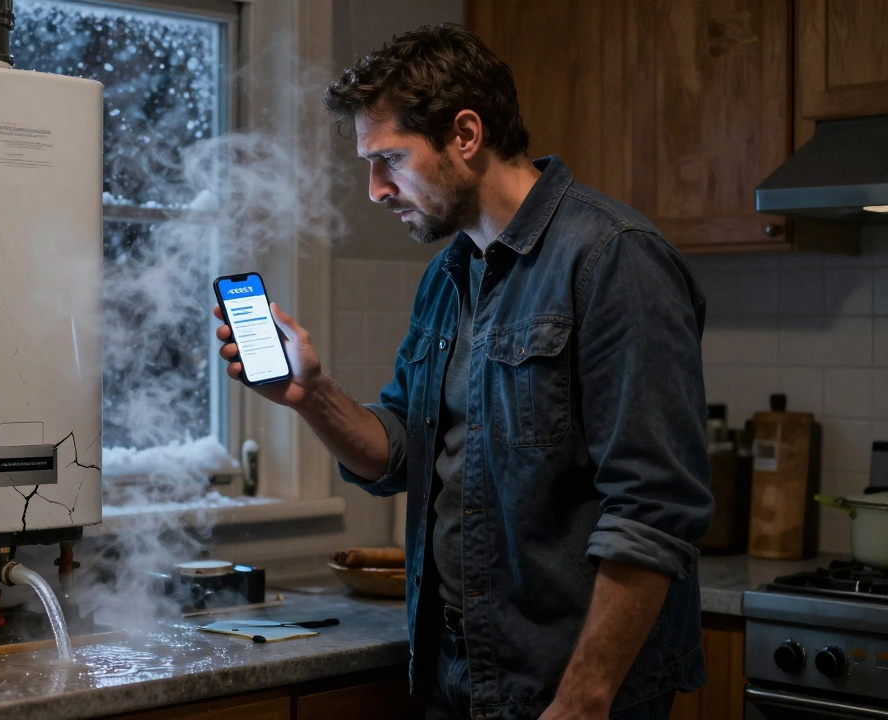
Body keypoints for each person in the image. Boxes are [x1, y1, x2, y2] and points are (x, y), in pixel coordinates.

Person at [213, 23, 714, 720]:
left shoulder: (612, 259)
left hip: (569, 691)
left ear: (467, 135)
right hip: (460, 674)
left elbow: (653, 510)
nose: (375, 190)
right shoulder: (449, 277)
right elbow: (402, 456)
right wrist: (310, 396)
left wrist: (585, 697)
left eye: (390, 158)